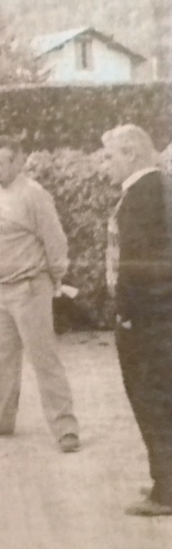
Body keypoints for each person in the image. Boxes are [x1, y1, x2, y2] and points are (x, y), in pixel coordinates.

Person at [0, 135, 80, 453]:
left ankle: (65, 428)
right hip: (1, 291)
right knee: (2, 360)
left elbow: (55, 242)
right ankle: (0, 420)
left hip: (30, 288)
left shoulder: (35, 195)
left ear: (19, 162)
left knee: (44, 359)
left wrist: (54, 279)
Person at [101, 124, 172, 516]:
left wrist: (128, 315)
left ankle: (166, 492)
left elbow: (136, 265)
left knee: (150, 402)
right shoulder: (159, 188)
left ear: (131, 154)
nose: (103, 165)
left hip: (146, 321)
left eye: (109, 156)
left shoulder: (140, 197)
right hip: (162, 317)